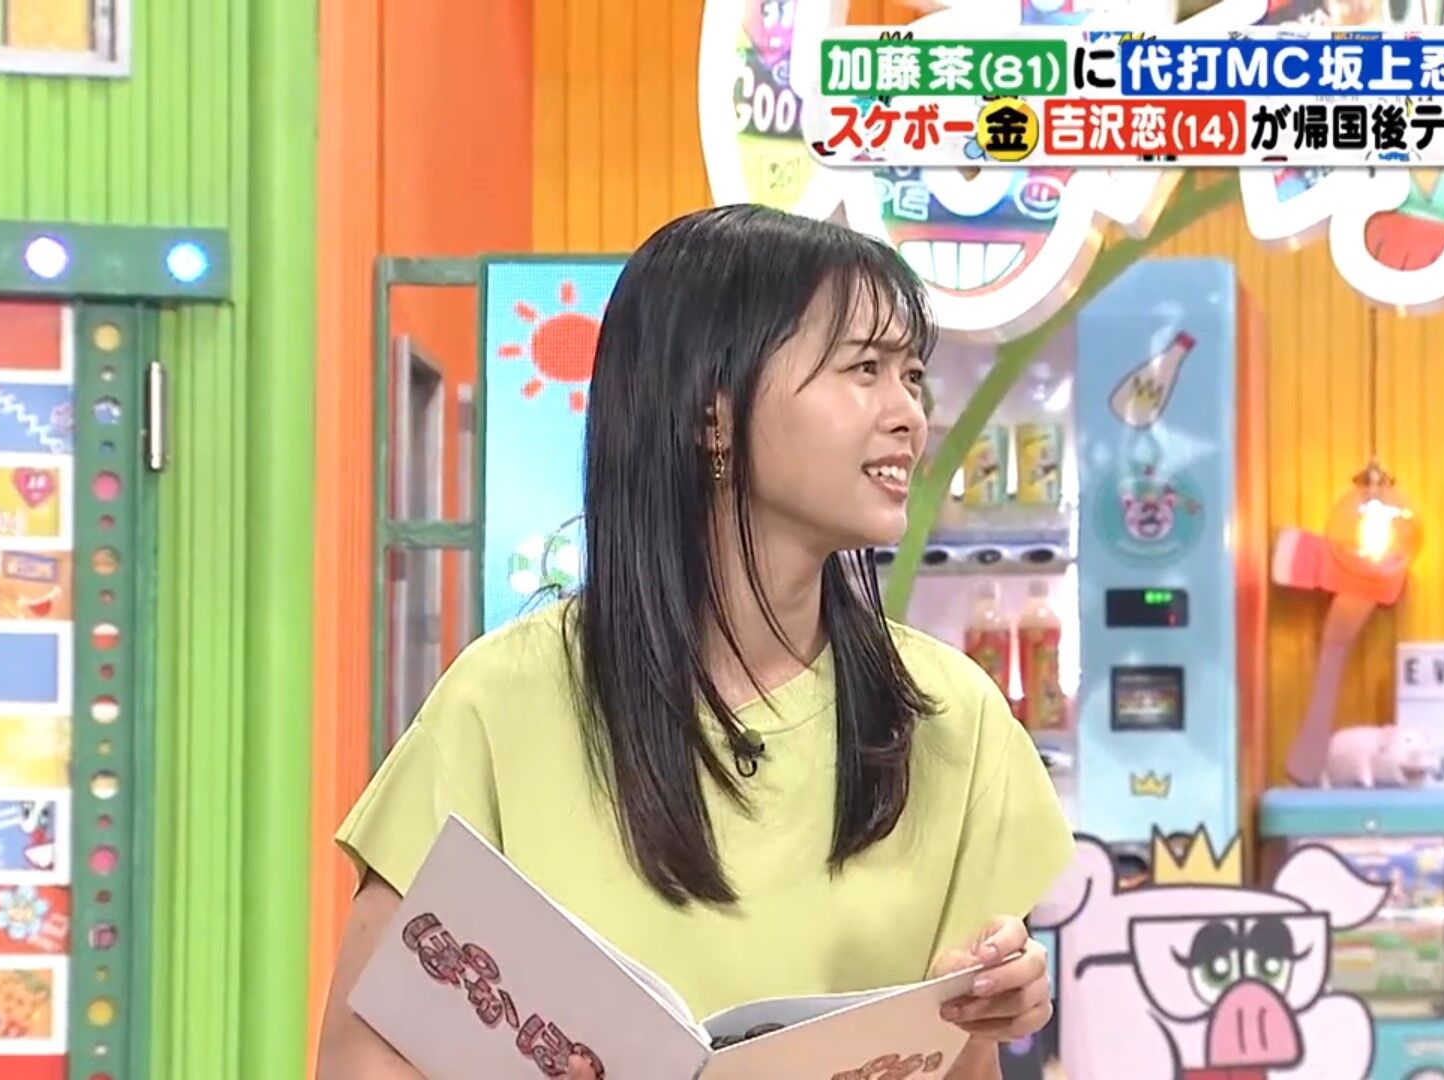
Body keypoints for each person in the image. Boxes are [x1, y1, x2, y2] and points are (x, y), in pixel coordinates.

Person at [315, 204, 1075, 1078]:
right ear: (713, 412)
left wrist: (986, 1004)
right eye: (864, 368)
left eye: (912, 376)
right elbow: (365, 1053)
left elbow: (967, 1065)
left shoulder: (948, 715)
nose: (909, 413)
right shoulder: (504, 699)